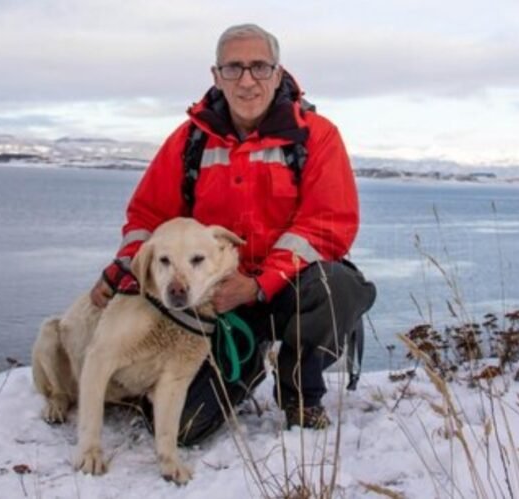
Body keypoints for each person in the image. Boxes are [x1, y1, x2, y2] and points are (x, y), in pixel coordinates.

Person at [91, 23, 376, 444]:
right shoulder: (190, 139)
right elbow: (148, 217)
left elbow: (326, 225)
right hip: (214, 304)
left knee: (336, 286)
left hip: (287, 289)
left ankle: (300, 397)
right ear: (216, 75)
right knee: (183, 428)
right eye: (234, 68)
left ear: (278, 74)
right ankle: (241, 365)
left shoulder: (317, 136)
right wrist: (128, 265)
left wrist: (258, 285)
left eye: (259, 67)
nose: (247, 81)